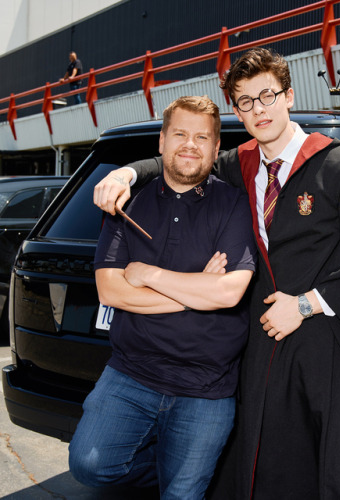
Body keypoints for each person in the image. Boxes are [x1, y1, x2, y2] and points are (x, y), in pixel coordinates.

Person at [93, 48, 340, 499]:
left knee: (339, 472)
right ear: (237, 111)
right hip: (266, 346)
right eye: (245, 101)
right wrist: (124, 173)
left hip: (330, 342)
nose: (258, 110)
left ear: (289, 96)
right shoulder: (239, 166)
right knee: (271, 467)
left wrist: (303, 306)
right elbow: (182, 163)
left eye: (267, 96)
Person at [69, 95, 257, 499]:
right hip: (130, 374)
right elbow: (110, 290)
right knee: (88, 465)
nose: (190, 145)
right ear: (161, 141)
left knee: (182, 495)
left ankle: (179, 466)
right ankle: (164, 460)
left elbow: (227, 292)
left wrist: (149, 275)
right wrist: (193, 291)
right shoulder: (126, 203)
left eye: (202, 137)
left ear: (216, 147)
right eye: (180, 134)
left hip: (206, 386)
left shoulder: (234, 205)